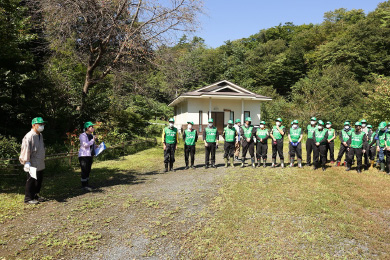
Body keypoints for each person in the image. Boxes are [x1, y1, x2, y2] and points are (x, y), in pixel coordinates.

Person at [19, 117, 47, 204]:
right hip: (32, 161)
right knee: (31, 180)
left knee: (38, 180)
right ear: (34, 125)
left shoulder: (40, 135)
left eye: (43, 124)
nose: (42, 126)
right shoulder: (29, 136)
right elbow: (26, 149)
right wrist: (26, 161)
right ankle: (28, 198)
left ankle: (35, 195)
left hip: (40, 161)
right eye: (40, 124)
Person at [78, 121, 98, 191]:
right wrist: (93, 140)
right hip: (83, 155)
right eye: (91, 127)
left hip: (90, 155)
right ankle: (83, 185)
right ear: (87, 128)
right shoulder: (82, 135)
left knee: (88, 170)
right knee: (84, 170)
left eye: (93, 127)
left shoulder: (91, 135)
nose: (93, 128)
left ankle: (87, 184)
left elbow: (91, 145)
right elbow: (85, 145)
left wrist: (96, 146)